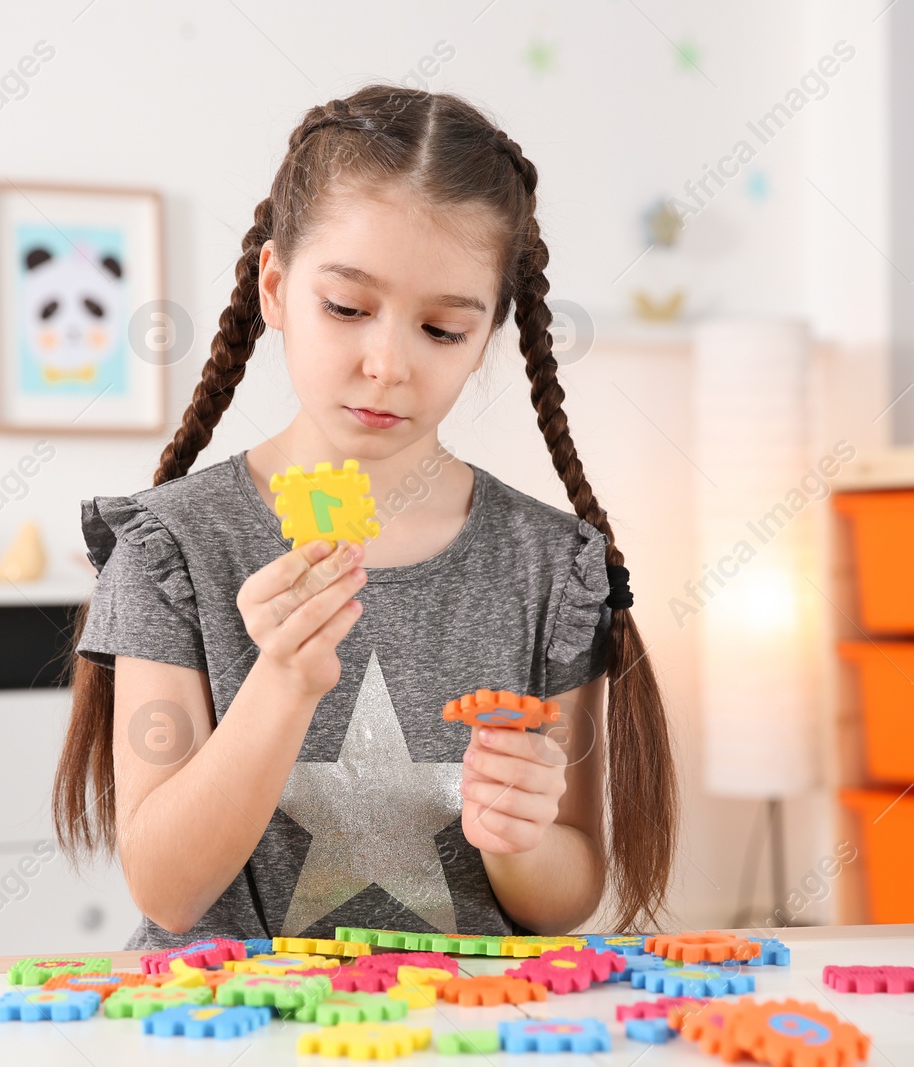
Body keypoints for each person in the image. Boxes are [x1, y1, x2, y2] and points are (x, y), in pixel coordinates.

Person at [55, 85, 675, 950]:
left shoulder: (549, 565)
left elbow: (567, 894)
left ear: (491, 331)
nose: (387, 364)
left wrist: (519, 837)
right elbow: (168, 888)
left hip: (470, 1027)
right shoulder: (173, 548)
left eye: (443, 329)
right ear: (274, 286)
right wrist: (281, 681)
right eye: (346, 309)